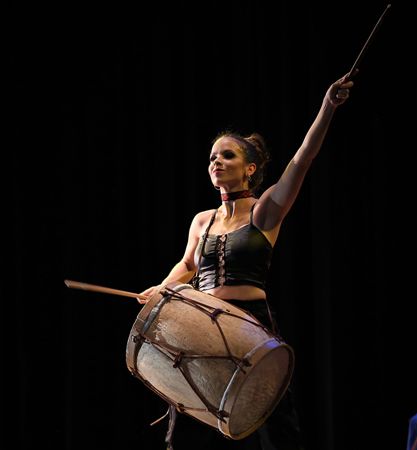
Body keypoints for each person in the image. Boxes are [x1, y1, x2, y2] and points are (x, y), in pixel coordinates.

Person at [138, 73, 354, 449]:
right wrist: (162, 288)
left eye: (227, 155)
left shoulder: (263, 212)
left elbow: (302, 160)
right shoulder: (202, 221)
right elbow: (188, 265)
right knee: (196, 421)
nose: (216, 162)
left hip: (249, 322)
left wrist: (327, 109)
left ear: (250, 168)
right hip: (201, 325)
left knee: (273, 425)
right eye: (212, 157)